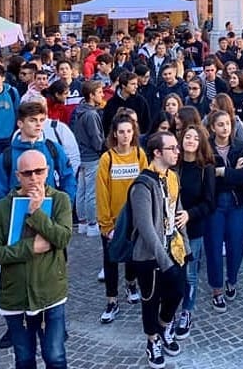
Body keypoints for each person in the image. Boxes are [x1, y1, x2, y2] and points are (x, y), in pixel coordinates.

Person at [0, 149, 73, 369]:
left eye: (39, 171)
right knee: (24, 359)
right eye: (27, 173)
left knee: (55, 357)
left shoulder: (60, 200)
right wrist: (29, 247)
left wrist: (36, 213)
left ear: (47, 171)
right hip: (16, 298)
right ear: (18, 175)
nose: (34, 178)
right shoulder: (2, 208)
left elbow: (62, 238)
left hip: (50, 293)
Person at [130, 131, 188, 368]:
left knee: (178, 291)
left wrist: (185, 246)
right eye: (172, 148)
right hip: (149, 256)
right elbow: (146, 229)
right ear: (157, 152)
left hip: (174, 248)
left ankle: (164, 327)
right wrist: (164, 262)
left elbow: (177, 211)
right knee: (151, 300)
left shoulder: (172, 176)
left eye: (176, 147)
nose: (177, 151)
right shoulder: (142, 185)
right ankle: (152, 340)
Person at [96, 110, 147, 325]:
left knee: (133, 256)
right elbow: (102, 193)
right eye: (121, 132)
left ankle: (131, 284)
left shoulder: (140, 155)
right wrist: (106, 224)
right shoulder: (107, 158)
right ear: (114, 134)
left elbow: (145, 186)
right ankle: (111, 300)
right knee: (110, 261)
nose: (125, 135)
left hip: (134, 218)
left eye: (129, 131)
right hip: (113, 220)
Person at [205, 110, 243, 313]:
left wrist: (223, 171)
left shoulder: (240, 146)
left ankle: (231, 279)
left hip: (235, 201)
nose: (225, 128)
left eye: (228, 124)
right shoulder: (206, 148)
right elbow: (206, 177)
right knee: (214, 247)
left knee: (239, 241)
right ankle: (217, 289)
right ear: (213, 127)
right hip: (214, 204)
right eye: (221, 124)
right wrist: (232, 172)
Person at [175, 123, 215, 339]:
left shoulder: (205, 168)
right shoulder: (174, 165)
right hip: (171, 228)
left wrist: (189, 214)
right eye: (187, 137)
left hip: (193, 228)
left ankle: (186, 312)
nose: (190, 141)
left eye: (195, 138)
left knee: (190, 273)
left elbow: (209, 203)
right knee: (172, 271)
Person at [71, 80, 106, 238]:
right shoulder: (91, 114)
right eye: (99, 92)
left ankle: (83, 222)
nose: (102, 95)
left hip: (82, 155)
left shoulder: (79, 110)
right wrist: (101, 148)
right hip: (91, 156)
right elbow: (96, 138)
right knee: (91, 191)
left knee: (82, 190)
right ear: (91, 95)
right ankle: (92, 223)